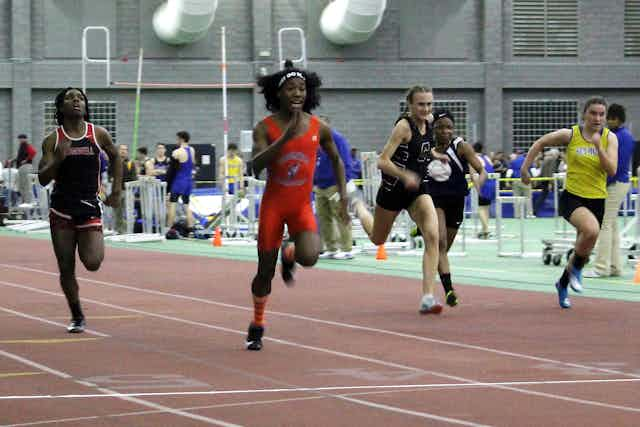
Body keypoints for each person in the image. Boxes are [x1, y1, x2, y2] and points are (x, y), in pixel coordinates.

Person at [246, 61, 349, 351]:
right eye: (291, 88)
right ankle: (257, 323)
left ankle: (289, 253)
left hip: (301, 205)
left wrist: (343, 197)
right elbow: (255, 167)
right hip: (273, 208)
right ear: (278, 94)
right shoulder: (264, 128)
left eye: (302, 88)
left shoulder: (319, 127)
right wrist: (286, 138)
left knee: (310, 258)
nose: (297, 93)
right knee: (264, 272)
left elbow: (337, 159)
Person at [37, 87, 122, 332]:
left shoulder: (98, 134)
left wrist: (117, 190)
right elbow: (43, 178)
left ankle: (77, 310)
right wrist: (58, 159)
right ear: (61, 108)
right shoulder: (53, 140)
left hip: (89, 205)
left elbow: (115, 157)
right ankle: (77, 314)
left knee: (93, 261)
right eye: (70, 98)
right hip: (62, 209)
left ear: (85, 106)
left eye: (80, 98)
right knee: (66, 267)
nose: (76, 100)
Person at [351, 85, 442, 314]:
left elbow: (422, 149)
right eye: (420, 104)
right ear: (410, 105)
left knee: (433, 235)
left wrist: (437, 156)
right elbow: (382, 161)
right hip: (393, 190)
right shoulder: (403, 127)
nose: (425, 108)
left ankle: (428, 297)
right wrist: (404, 175)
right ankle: (358, 206)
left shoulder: (431, 122)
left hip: (417, 190)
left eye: (429, 104)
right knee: (377, 238)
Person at [521, 97, 618, 309]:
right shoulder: (571, 134)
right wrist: (525, 168)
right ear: (584, 114)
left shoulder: (610, 139)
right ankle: (576, 270)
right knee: (591, 231)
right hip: (573, 197)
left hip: (597, 199)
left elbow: (611, 170)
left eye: (602, 114)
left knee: (582, 247)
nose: (597, 118)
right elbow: (540, 143)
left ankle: (562, 284)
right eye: (593, 113)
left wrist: (598, 147)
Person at [427, 110, 487, 307]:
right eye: (441, 127)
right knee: (440, 242)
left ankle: (423, 233)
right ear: (433, 128)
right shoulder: (426, 147)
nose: (445, 131)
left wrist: (479, 183)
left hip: (456, 201)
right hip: (434, 200)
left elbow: (480, 169)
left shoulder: (461, 146)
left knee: (441, 249)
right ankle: (449, 290)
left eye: (449, 127)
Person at [585, 104, 635, 278]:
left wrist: (600, 183)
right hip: (617, 183)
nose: (609, 121)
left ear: (619, 119)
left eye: (613, 118)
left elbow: (617, 165)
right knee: (611, 225)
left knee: (604, 225)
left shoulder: (621, 137)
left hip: (615, 183)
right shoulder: (619, 135)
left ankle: (600, 268)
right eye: (609, 117)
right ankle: (614, 267)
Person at [315, 116, 355, 260]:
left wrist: (343, 186)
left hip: (335, 185)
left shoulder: (338, 139)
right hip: (320, 185)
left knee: (341, 215)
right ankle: (331, 248)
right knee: (323, 217)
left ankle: (347, 248)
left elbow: (345, 162)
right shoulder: (316, 141)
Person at [167, 131, 195, 230]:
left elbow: (171, 170)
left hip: (179, 181)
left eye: (177, 139)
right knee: (186, 205)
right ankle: (191, 227)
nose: (176, 141)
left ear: (181, 139)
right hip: (188, 181)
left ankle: (169, 228)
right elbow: (192, 164)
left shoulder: (177, 152)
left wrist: (168, 184)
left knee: (172, 204)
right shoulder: (192, 150)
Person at [110, 144, 137, 234]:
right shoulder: (113, 161)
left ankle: (129, 230)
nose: (123, 151)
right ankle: (118, 230)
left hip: (127, 191)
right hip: (116, 191)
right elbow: (110, 173)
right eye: (122, 149)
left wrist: (131, 187)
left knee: (129, 212)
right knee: (117, 211)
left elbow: (134, 177)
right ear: (118, 150)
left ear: (127, 152)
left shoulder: (130, 163)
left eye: (125, 150)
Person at [473, 142, 496, 239]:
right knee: (486, 208)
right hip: (493, 184)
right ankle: (484, 230)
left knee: (481, 208)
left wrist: (478, 188)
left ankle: (486, 230)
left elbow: (474, 174)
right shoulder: (486, 158)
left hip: (484, 183)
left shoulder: (474, 158)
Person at [532, 148, 561, 217]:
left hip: (544, 180)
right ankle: (561, 212)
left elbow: (542, 171)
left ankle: (535, 211)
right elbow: (551, 171)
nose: (557, 156)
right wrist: (551, 182)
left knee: (543, 196)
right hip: (549, 180)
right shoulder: (552, 160)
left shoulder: (545, 159)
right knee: (558, 196)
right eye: (557, 155)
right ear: (555, 154)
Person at [14, 134, 37, 204]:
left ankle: (28, 202)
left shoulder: (26, 145)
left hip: (26, 166)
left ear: (24, 139)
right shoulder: (22, 146)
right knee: (22, 185)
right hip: (21, 167)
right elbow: (19, 157)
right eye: (19, 139)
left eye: (21, 139)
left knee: (26, 185)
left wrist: (26, 160)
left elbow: (33, 152)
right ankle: (24, 201)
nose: (20, 140)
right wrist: (13, 160)